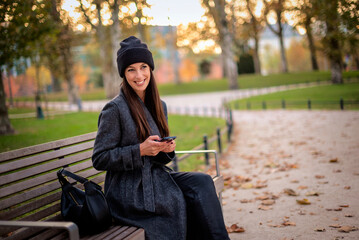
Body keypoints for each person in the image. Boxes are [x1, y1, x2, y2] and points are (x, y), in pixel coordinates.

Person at [92, 36, 230, 240]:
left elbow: (159, 157)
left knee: (201, 182)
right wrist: (139, 150)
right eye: (131, 69)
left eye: (143, 67)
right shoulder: (114, 109)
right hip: (127, 190)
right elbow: (100, 158)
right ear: (123, 74)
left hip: (155, 179)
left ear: (150, 69)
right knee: (179, 202)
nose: (139, 75)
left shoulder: (159, 105)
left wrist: (166, 150)